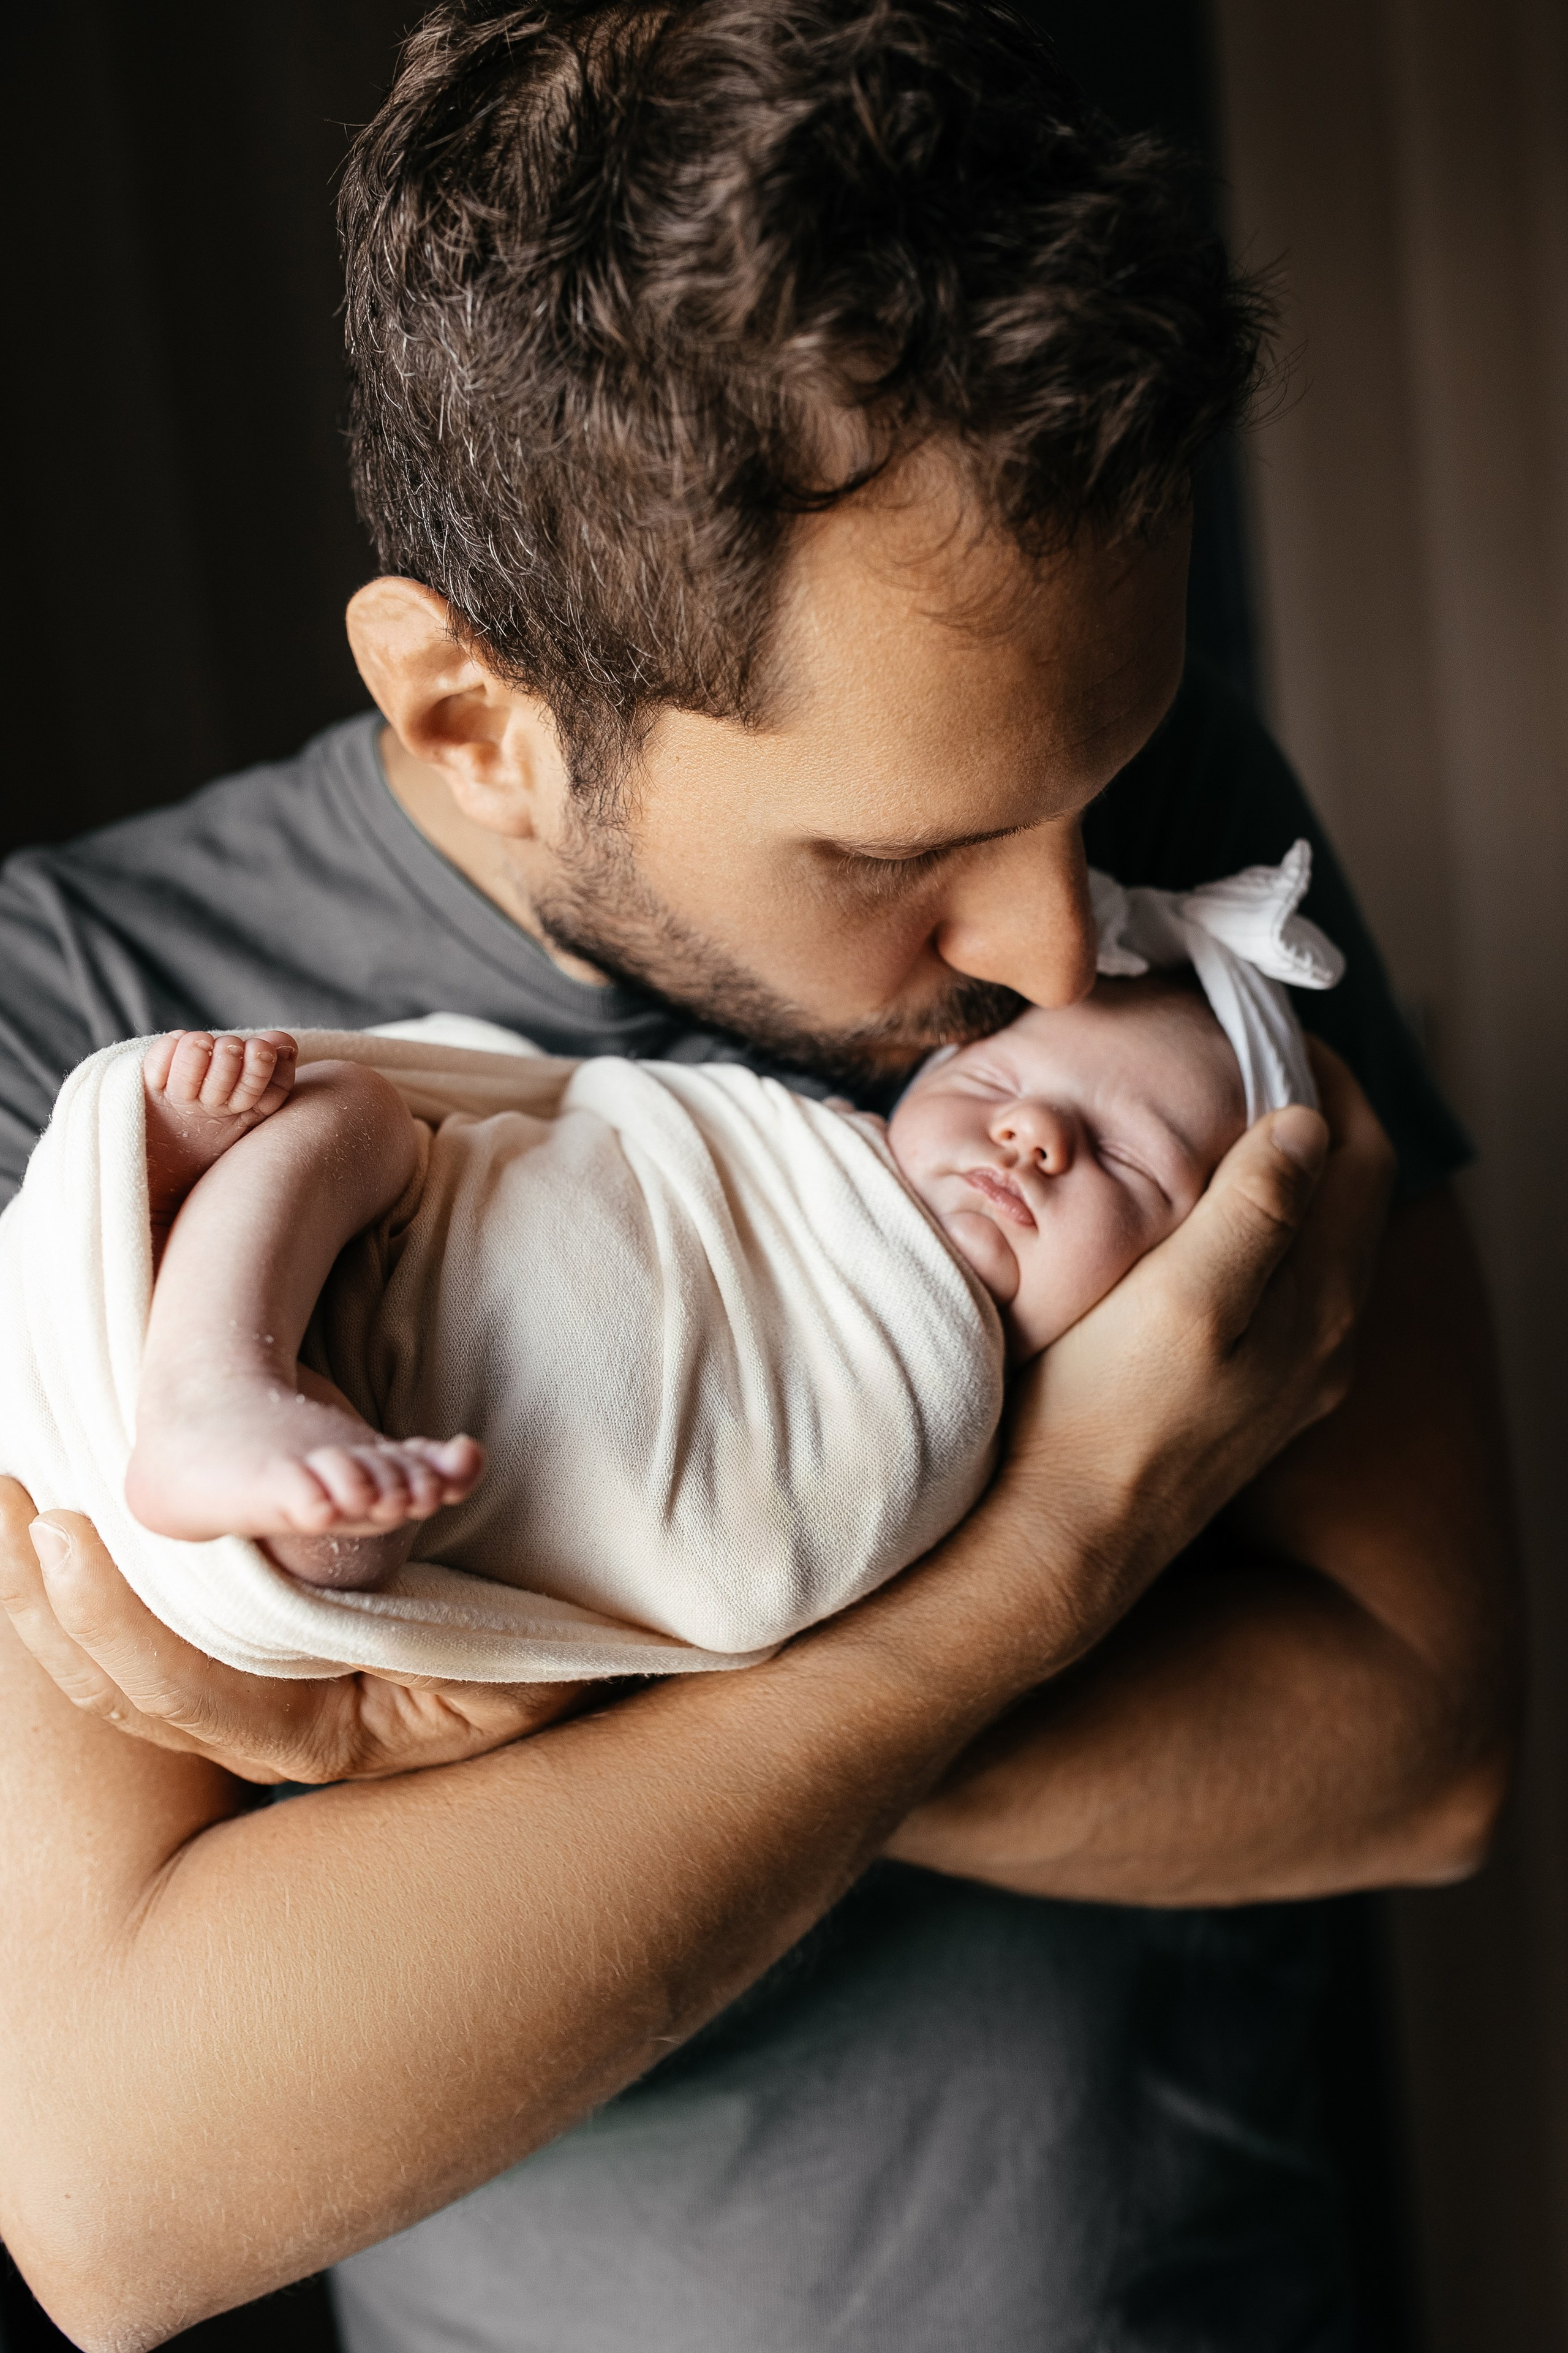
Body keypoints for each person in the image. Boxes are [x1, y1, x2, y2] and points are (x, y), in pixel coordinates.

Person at [0, 4, 1518, 2349]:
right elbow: (124, 2184)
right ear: (468, 718)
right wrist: (1048, 1556)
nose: (1049, 945)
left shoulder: (1132, 787)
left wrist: (496, 1738)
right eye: (900, 856)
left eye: (1096, 800)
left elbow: (1417, 1756)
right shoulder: (85, 1022)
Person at [112, 970, 1244, 1615]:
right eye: (995, 1080)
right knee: (354, 1111)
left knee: (355, 1559)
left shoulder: (986, 1441)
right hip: (404, 1233)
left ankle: (279, 1440)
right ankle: (213, 1367)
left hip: (395, 1452)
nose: (1034, 1132)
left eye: (1130, 1165)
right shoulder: (799, 1146)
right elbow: (630, 1131)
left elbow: (756, 1570)